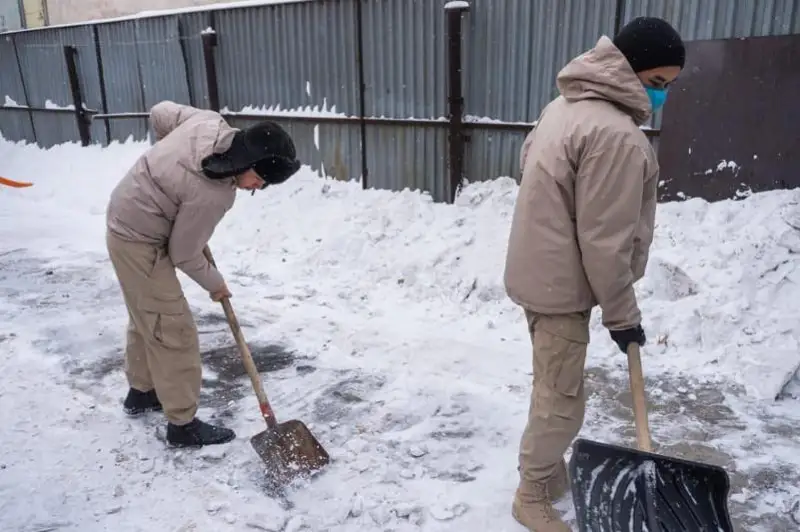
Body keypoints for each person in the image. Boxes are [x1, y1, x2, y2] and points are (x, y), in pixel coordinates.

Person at [503, 17, 685, 531]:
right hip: (562, 284)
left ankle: (547, 470)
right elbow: (605, 243)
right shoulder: (617, 136)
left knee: (551, 384)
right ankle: (532, 493)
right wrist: (622, 315)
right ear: (629, 70)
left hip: (539, 272)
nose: (661, 96)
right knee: (561, 400)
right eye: (657, 83)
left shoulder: (564, 108)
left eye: (668, 87)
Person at [105, 100, 301, 448]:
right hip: (140, 237)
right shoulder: (212, 194)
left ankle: (142, 391)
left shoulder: (209, 123)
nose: (257, 188)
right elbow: (184, 254)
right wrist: (216, 284)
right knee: (173, 328)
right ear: (247, 161)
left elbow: (160, 113)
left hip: (125, 217)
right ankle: (182, 424)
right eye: (259, 180)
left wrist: (167, 164)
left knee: (148, 313)